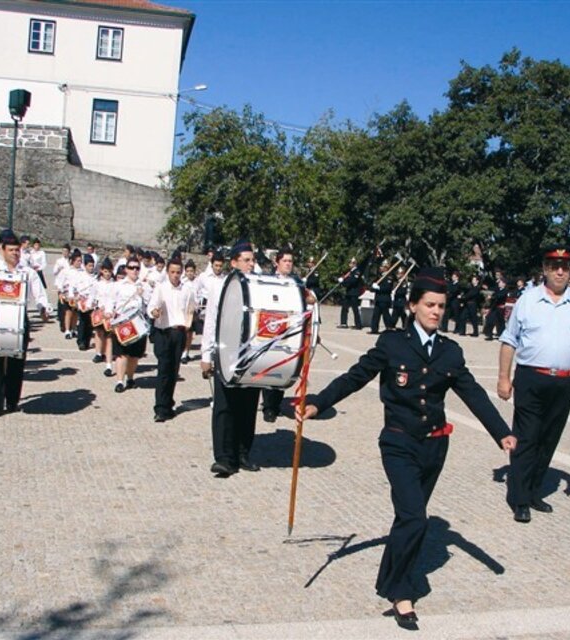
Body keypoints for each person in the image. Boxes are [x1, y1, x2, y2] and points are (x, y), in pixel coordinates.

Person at [299, 268, 516, 629]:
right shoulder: (392, 344)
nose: (436, 311)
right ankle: (401, 593)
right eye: (429, 304)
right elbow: (356, 376)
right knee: (416, 517)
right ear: (413, 305)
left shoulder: (450, 352)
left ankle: (388, 578)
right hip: (398, 443)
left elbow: (473, 393)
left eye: (441, 306)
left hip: (435, 446)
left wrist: (501, 433)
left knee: (407, 517)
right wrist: (318, 402)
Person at [497, 245, 570, 523]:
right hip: (531, 378)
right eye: (554, 266)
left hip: (563, 382)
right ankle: (519, 498)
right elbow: (509, 341)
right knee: (528, 436)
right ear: (544, 269)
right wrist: (504, 378)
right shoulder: (528, 300)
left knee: (548, 438)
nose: (560, 271)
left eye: (565, 267)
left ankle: (533, 491)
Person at [201, 242, 261, 476]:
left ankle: (243, 453)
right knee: (225, 406)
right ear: (234, 262)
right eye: (246, 260)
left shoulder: (259, 284)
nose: (251, 263)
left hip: (252, 355)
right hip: (226, 352)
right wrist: (207, 355)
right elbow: (211, 322)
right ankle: (225, 458)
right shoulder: (221, 286)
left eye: (253, 259)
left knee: (248, 405)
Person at [0, 230, 50, 415]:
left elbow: (40, 294)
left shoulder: (27, 272)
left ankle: (12, 401)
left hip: (19, 320)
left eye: (17, 250)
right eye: (11, 250)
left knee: (16, 365)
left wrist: (43, 308)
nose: (15, 253)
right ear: (1, 249)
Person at [261, 247, 316, 422]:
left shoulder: (297, 282)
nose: (288, 264)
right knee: (269, 365)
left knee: (284, 367)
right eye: (285, 261)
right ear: (277, 262)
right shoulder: (267, 280)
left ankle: (275, 404)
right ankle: (268, 407)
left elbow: (308, 301)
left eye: (290, 261)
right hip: (270, 327)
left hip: (290, 331)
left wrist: (310, 297)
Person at [147, 257, 195, 422]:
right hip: (164, 332)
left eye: (178, 272)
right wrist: (154, 312)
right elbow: (151, 306)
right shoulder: (161, 288)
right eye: (172, 272)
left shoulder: (187, 290)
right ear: (167, 272)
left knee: (173, 371)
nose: (175, 275)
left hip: (179, 332)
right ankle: (160, 408)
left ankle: (168, 404)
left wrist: (188, 324)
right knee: (163, 371)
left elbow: (191, 308)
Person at [109, 255, 150, 393]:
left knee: (134, 355)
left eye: (137, 268)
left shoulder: (144, 286)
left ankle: (130, 377)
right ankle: (120, 381)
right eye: (131, 268)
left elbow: (149, 304)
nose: (134, 270)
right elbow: (111, 302)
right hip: (123, 322)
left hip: (138, 322)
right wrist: (109, 313)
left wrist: (143, 294)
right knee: (122, 353)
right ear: (126, 269)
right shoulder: (118, 285)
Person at [368, 260, 394, 334]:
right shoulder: (380, 276)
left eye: (382, 266)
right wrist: (373, 287)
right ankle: (374, 329)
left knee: (386, 315)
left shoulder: (389, 277)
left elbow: (388, 288)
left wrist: (379, 288)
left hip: (385, 299)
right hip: (378, 298)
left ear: (386, 268)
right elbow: (373, 287)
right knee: (376, 315)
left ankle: (389, 328)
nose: (380, 268)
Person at [338, 257, 363, 329]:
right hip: (349, 292)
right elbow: (347, 280)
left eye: (351, 263)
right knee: (344, 307)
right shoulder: (350, 272)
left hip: (354, 293)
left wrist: (343, 281)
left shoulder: (357, 271)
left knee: (355, 309)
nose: (349, 264)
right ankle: (343, 323)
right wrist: (343, 282)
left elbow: (353, 281)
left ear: (354, 264)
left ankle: (358, 325)